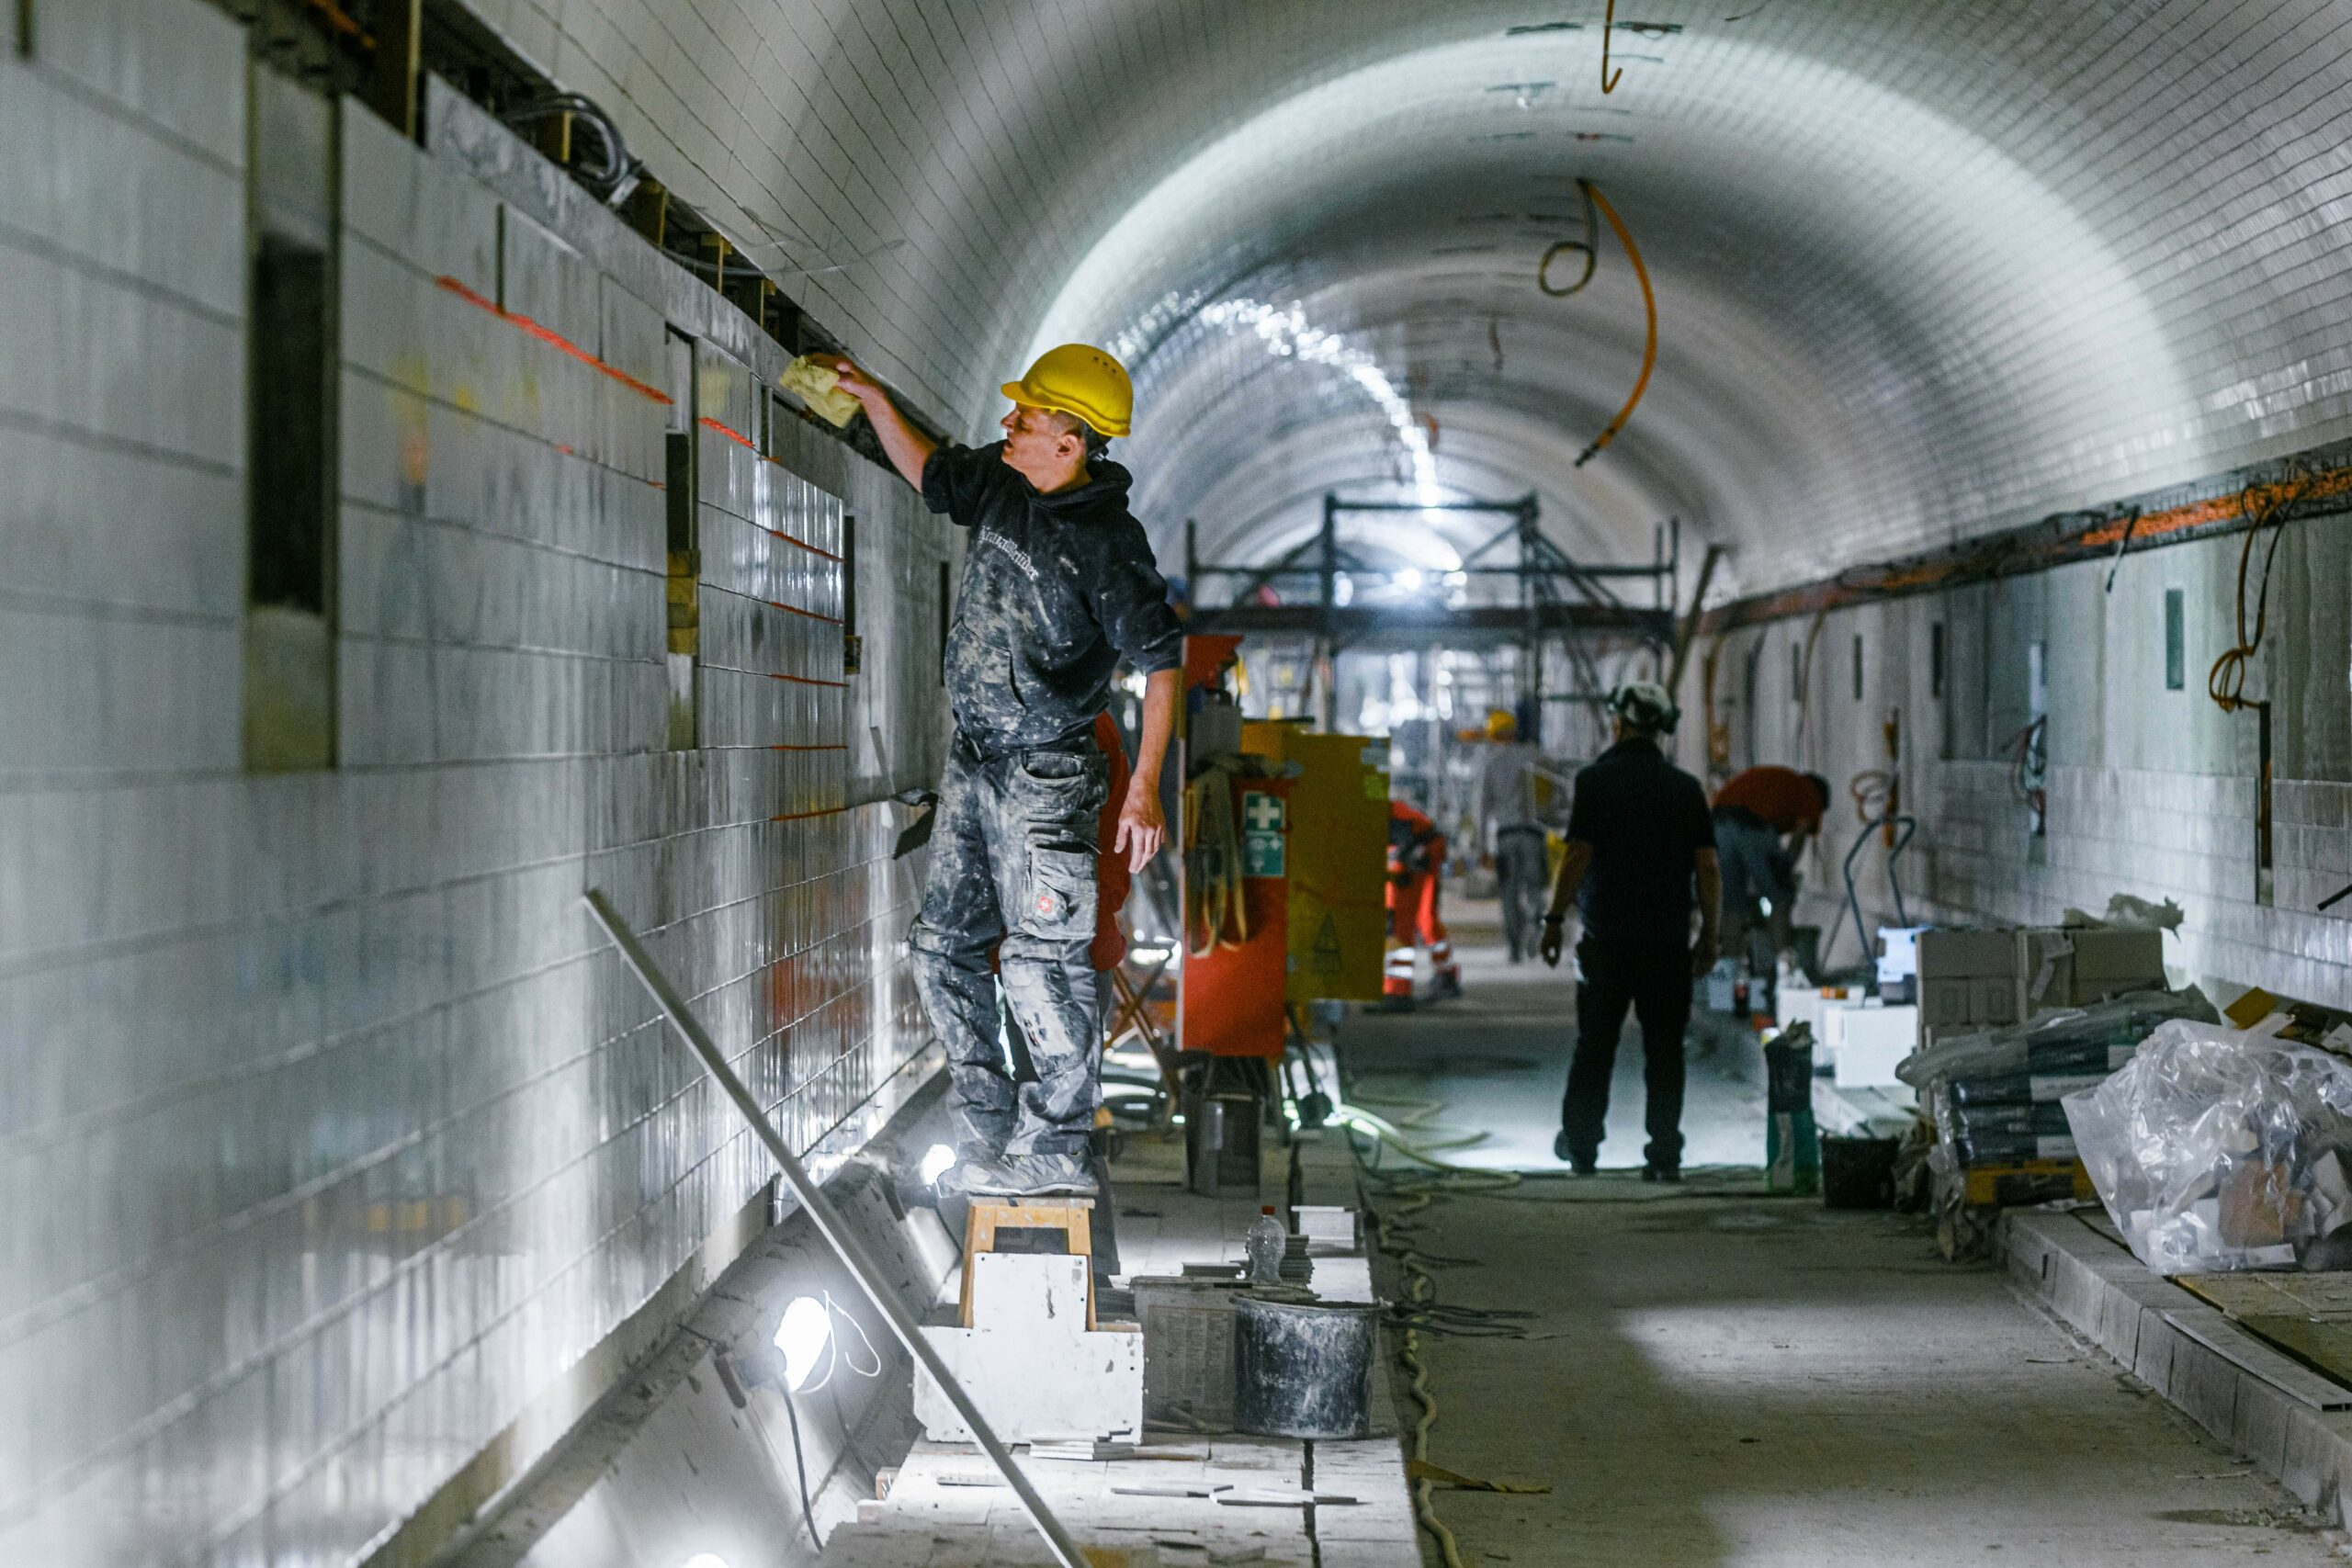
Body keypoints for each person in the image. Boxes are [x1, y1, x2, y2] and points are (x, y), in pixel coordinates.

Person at [831, 344, 1183, 1198]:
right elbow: (934, 474)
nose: (1010, 422)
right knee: (942, 945)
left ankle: (1056, 1147)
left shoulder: (1107, 542)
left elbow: (1165, 662)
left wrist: (1144, 785)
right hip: (974, 758)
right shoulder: (1002, 481)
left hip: (1049, 773)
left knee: (1042, 961)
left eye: (1026, 417)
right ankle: (991, 1134)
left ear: (1070, 442)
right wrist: (875, 399)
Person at [1539, 682, 1721, 1180]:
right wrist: (1710, 932)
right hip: (1666, 943)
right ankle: (1663, 1153)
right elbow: (1707, 866)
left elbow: (1578, 854)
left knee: (1594, 1045)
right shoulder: (1686, 789)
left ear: (1618, 723)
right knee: (1665, 1050)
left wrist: (1554, 920)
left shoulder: (1595, 782)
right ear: (1662, 728)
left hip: (1608, 941)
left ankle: (1581, 1148)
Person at [1711, 765, 1832, 973]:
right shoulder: (1810, 793)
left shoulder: (1784, 783)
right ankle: (1785, 969)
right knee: (1780, 898)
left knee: (1733, 903)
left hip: (1718, 822)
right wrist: (1785, 871)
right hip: (1751, 823)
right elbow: (1799, 835)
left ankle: (1729, 973)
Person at [1476, 707, 1550, 963]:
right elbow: (1553, 793)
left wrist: (1481, 848)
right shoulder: (1536, 756)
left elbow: (1482, 808)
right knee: (1535, 890)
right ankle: (1534, 927)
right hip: (1534, 835)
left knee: (1509, 893)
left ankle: (1515, 946)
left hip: (1505, 838)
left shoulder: (1490, 763)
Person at [1384, 797, 1461, 1006]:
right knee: (1426, 919)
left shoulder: (1381, 815)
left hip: (1418, 851)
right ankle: (1446, 974)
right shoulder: (1387, 810)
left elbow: (1402, 845)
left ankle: (1397, 992)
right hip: (1425, 848)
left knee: (1399, 922)